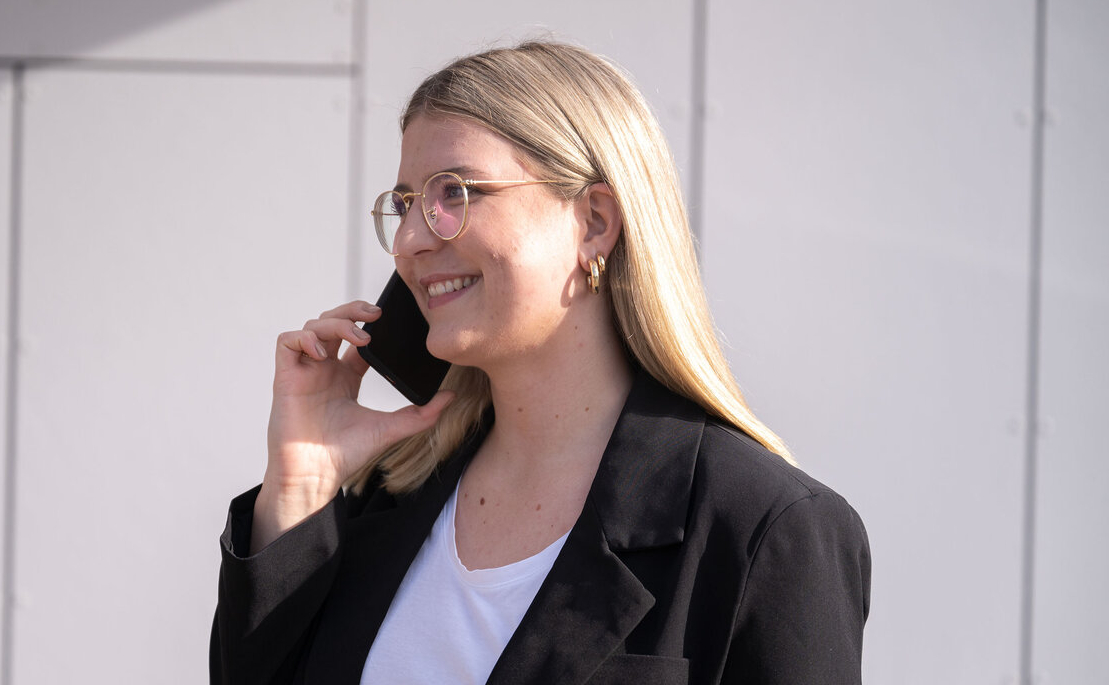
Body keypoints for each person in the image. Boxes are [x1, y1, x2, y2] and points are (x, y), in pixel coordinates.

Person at [210, 40, 870, 685]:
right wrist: (299, 484)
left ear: (593, 223)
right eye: (408, 204)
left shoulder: (764, 531)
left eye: (454, 194)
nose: (410, 241)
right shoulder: (385, 501)